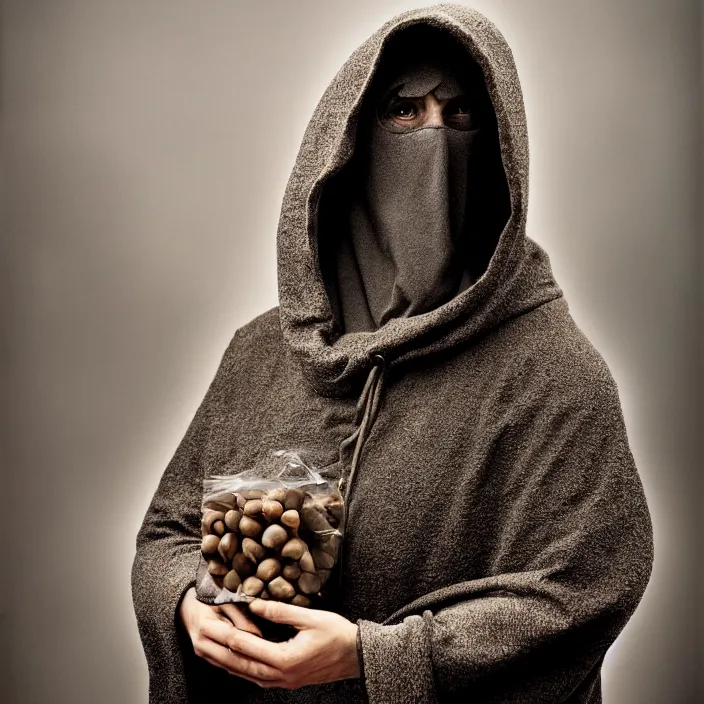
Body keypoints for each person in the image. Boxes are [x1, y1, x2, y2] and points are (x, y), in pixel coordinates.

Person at [131, 5, 654, 704]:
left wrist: (375, 657)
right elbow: (168, 534)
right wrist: (185, 606)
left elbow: (583, 588)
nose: (433, 141)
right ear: (347, 144)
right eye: (403, 112)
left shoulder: (553, 372)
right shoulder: (260, 355)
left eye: (462, 113)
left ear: (502, 146)